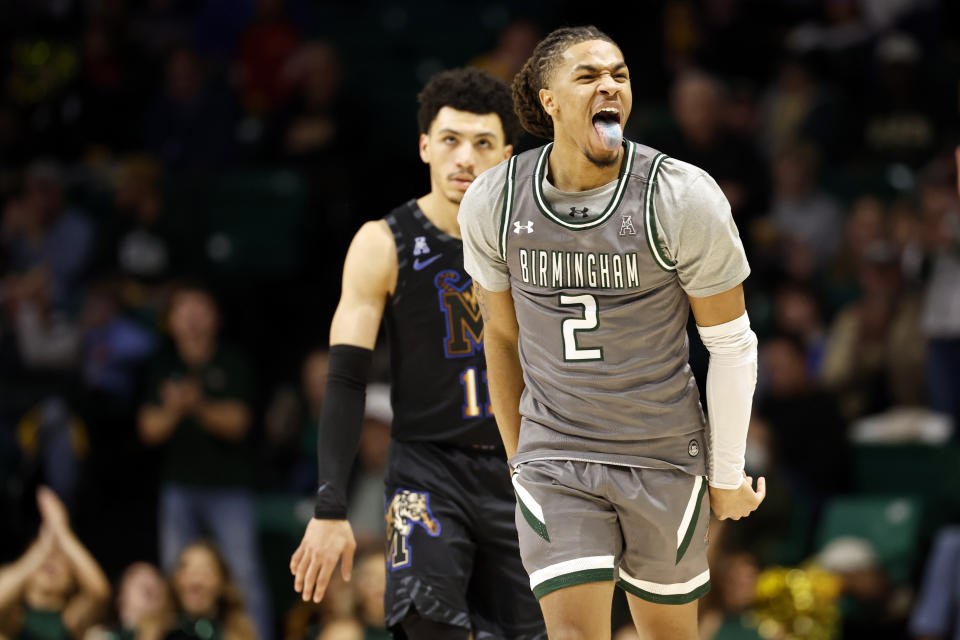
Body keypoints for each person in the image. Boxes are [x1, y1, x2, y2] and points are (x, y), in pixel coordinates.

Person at [458, 26, 765, 640]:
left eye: (620, 75)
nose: (610, 86)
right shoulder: (495, 198)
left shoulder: (681, 196)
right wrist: (521, 460)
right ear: (549, 100)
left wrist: (726, 474)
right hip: (558, 455)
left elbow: (730, 344)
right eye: (589, 76)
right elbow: (500, 334)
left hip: (663, 451)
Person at [289, 68, 546, 640]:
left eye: (482, 144)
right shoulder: (383, 242)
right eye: (450, 140)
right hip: (428, 469)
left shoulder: (539, 243)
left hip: (523, 471)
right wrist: (330, 506)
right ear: (425, 145)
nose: (464, 158)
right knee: (429, 625)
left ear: (506, 156)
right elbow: (346, 379)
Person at [137, 284, 271, 640]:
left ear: (216, 317)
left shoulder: (231, 361)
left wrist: (195, 405)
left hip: (229, 487)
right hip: (178, 485)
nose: (193, 318)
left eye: (201, 308)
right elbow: (148, 429)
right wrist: (173, 408)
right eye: (184, 309)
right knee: (174, 573)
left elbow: (239, 422)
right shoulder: (163, 364)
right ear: (171, 320)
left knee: (243, 576)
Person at [0, 487, 111, 640]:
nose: (51, 560)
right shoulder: (14, 617)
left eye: (62, 558)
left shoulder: (71, 619)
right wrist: (41, 549)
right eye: (47, 555)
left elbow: (99, 592)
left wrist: (63, 532)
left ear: (73, 580)